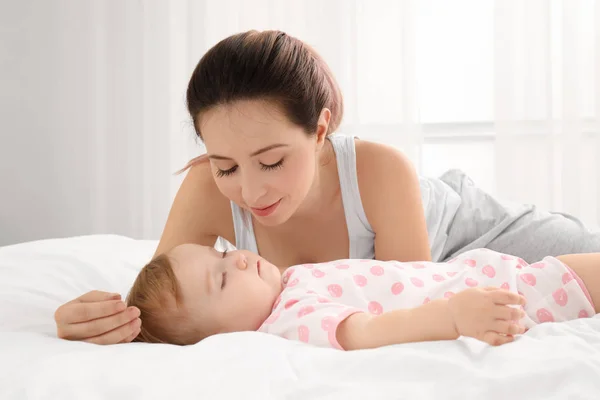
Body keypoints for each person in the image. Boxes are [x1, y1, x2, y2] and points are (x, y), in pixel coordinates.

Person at [53, 30, 600, 345]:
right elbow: (168, 306)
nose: (248, 190)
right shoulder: (206, 189)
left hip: (470, 237)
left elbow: (418, 295)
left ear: (320, 129)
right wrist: (95, 321)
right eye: (225, 165)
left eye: (270, 161)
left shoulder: (379, 169)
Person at [124, 243, 599, 350]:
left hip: (502, 278)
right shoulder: (291, 320)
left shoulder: (288, 283)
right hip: (514, 300)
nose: (241, 260)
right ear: (222, 335)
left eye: (223, 254)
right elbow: (367, 332)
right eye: (223, 279)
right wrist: (454, 316)